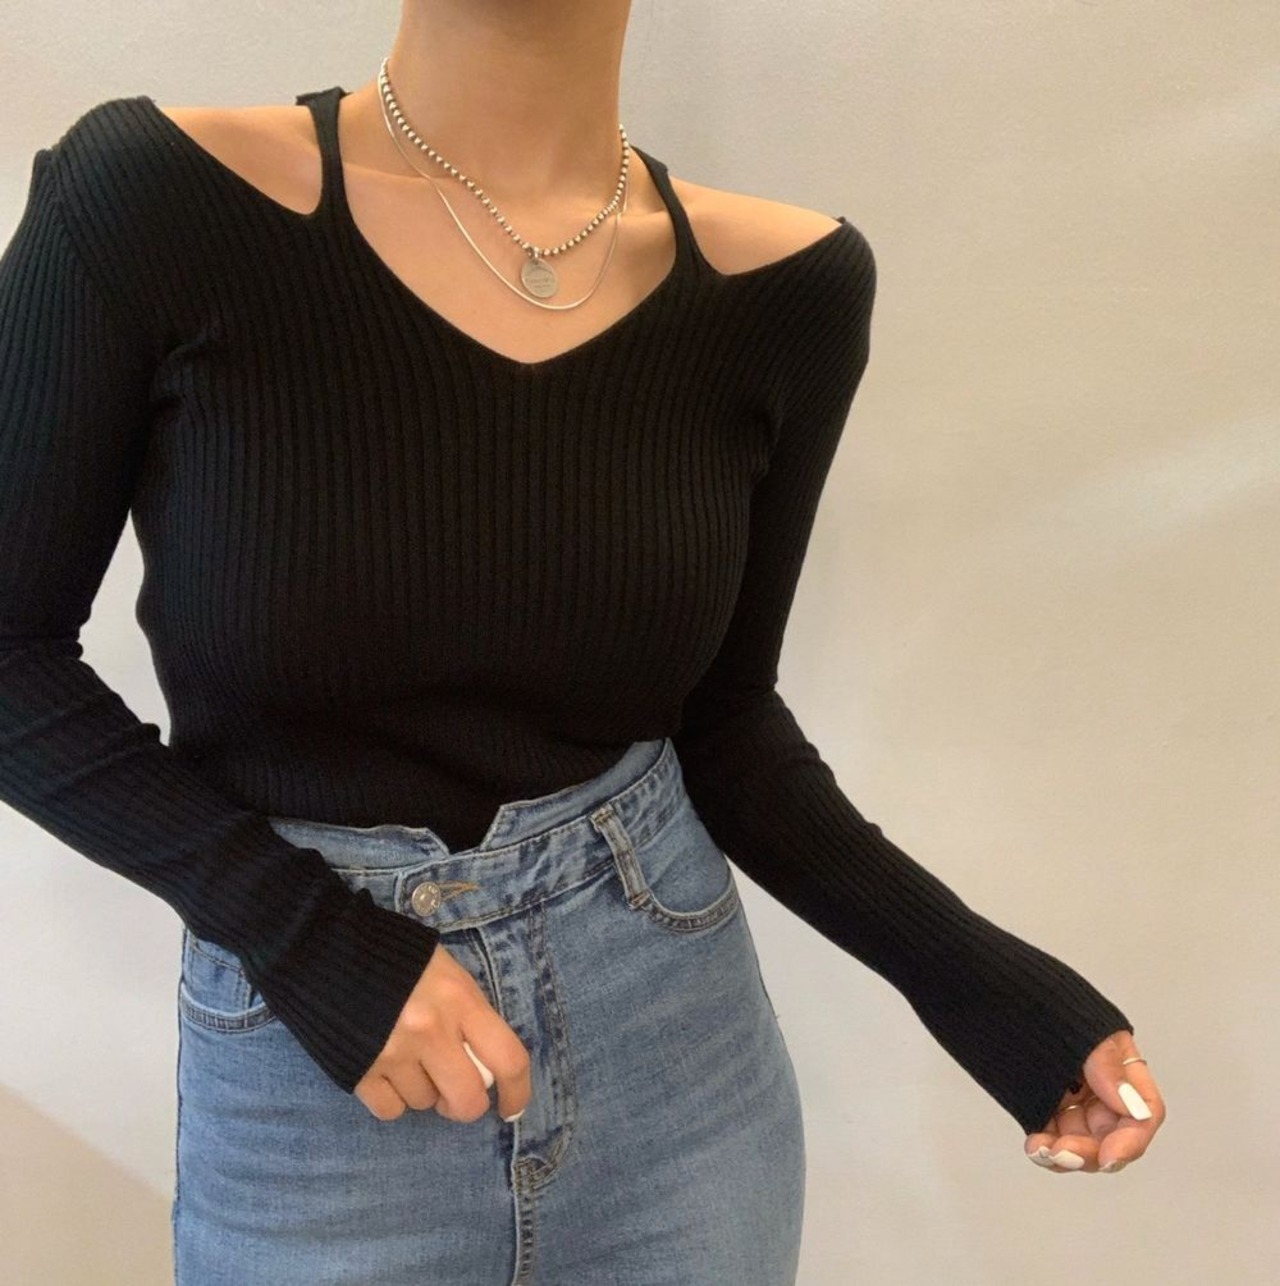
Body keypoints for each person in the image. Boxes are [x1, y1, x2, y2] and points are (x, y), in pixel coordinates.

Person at [0, 1, 1165, 1282]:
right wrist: (307, 937)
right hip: (316, 1083)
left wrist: (990, 992)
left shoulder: (788, 289)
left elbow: (723, 721)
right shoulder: (153, 202)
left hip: (678, 1073)